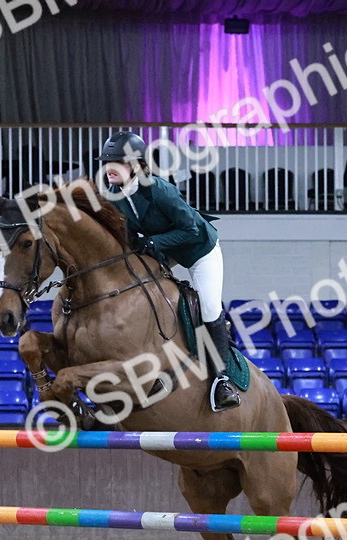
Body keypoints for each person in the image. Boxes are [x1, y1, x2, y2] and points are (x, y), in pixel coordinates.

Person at [97, 130, 241, 412]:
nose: (108, 168)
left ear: (136, 165)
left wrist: (151, 242)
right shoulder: (113, 197)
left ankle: (222, 380)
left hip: (200, 249)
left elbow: (190, 229)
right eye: (107, 162)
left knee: (210, 307)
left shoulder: (160, 190)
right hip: (165, 251)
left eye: (116, 162)